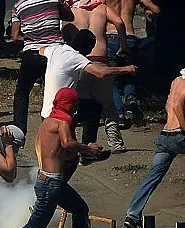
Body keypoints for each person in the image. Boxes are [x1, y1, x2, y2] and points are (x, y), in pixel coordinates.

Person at [0, 87, 105, 228]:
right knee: (35, 226)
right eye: (74, 105)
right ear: (70, 105)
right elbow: (67, 143)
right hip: (51, 182)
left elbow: (59, 149)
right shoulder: (63, 121)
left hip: (46, 179)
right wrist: (88, 148)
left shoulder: (49, 121)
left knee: (80, 209)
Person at [40, 29, 137, 162]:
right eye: (90, 49)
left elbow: (40, 51)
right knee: (67, 158)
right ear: (87, 47)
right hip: (59, 113)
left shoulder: (56, 50)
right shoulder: (76, 57)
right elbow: (101, 72)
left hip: (46, 110)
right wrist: (126, 69)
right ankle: (88, 149)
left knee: (91, 106)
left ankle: (86, 149)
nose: (90, 53)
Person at [63, 0, 128, 152]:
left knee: (80, 103)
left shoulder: (71, 12)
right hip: (102, 60)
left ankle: (75, 140)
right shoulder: (101, 8)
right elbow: (120, 23)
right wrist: (123, 46)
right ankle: (116, 142)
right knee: (108, 104)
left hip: (82, 63)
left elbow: (65, 36)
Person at [11, 0, 75, 134]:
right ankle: (60, 128)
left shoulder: (18, 5)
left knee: (22, 92)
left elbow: (15, 37)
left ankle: (19, 130)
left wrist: (30, 39)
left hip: (33, 52)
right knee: (56, 91)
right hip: (55, 52)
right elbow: (69, 16)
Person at [124, 70, 185, 228]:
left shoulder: (176, 81)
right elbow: (177, 105)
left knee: (153, 177)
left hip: (165, 136)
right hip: (179, 136)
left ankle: (133, 214)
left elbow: (168, 105)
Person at [99, 0, 161, 123]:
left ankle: (119, 113)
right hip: (130, 37)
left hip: (111, 35)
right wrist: (149, 13)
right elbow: (155, 8)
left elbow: (97, 10)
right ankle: (131, 98)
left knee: (112, 76)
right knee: (129, 72)